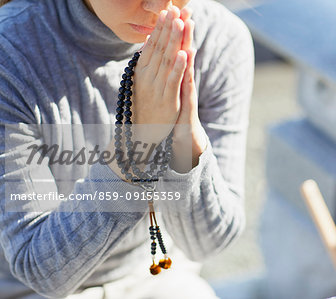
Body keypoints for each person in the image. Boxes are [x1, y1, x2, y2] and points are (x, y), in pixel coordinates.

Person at [0, 0, 254, 298]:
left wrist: (184, 139)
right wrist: (136, 145)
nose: (158, 6)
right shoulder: (12, 53)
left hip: (155, 274)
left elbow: (206, 244)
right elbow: (39, 270)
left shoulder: (217, 38)